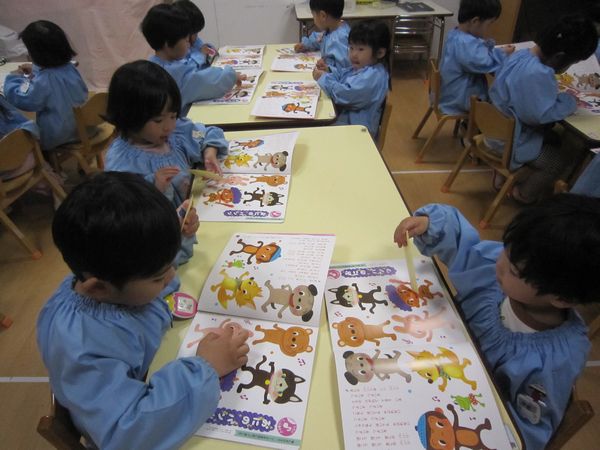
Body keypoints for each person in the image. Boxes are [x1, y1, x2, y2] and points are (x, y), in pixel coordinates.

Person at [37, 171, 250, 449]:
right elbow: (128, 432)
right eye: (158, 277)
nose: (170, 277)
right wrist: (206, 367)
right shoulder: (82, 349)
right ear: (98, 288)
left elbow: (146, 271)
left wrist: (180, 237)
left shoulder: (113, 274)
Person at [393, 195, 600, 450]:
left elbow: (527, 431)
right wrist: (429, 224)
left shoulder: (555, 363)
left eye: (513, 271)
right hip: (425, 361)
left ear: (560, 298)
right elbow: (464, 246)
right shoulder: (500, 270)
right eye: (506, 250)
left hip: (452, 407)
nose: (499, 264)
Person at [489, 14, 598, 203]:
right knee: (557, 162)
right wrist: (569, 101)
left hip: (494, 131)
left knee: (554, 137)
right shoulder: (539, 73)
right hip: (511, 142)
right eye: (572, 63)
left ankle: (501, 178)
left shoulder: (520, 55)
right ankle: (523, 194)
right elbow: (541, 116)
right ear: (559, 57)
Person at [103, 60, 228, 208]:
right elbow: (123, 210)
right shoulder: (121, 162)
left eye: (173, 116)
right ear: (130, 117)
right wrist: (155, 186)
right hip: (164, 221)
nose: (169, 127)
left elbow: (208, 134)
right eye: (158, 120)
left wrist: (209, 152)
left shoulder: (177, 132)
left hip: (199, 211)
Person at [141, 3, 243, 116]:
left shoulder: (152, 64)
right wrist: (231, 75)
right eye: (185, 40)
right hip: (180, 122)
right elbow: (208, 82)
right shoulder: (178, 74)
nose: (189, 44)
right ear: (167, 44)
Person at [3, 20, 88, 151]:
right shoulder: (70, 67)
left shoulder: (44, 80)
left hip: (58, 135)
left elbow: (24, 100)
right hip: (82, 126)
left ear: (36, 53)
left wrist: (14, 78)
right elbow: (54, 81)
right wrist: (33, 73)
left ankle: (45, 159)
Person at [313, 20, 390, 139]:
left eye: (361, 49)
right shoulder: (364, 67)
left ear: (379, 53)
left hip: (357, 133)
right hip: (347, 122)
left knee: (313, 130)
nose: (353, 54)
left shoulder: (373, 76)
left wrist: (324, 78)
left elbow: (344, 94)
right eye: (351, 48)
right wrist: (329, 70)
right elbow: (344, 74)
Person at [438, 0, 513, 116]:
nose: (489, 28)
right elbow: (485, 63)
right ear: (475, 21)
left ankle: (470, 123)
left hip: (450, 93)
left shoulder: (455, 34)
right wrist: (502, 53)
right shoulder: (466, 43)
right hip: (459, 99)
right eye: (489, 24)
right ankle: (478, 124)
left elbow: (475, 52)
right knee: (502, 106)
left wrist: (489, 47)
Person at [294, 0, 351, 75]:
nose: (314, 21)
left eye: (313, 16)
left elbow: (345, 71)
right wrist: (305, 44)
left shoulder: (340, 40)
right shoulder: (331, 29)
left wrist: (327, 70)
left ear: (323, 16)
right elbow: (319, 39)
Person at [173, 0, 216, 70]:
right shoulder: (177, 49)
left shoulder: (194, 40)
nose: (196, 37)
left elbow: (201, 47)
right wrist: (201, 55)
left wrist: (209, 49)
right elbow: (187, 70)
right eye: (194, 33)